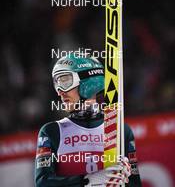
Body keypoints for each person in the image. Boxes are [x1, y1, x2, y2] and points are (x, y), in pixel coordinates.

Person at [35, 54, 142, 186]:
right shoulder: (52, 131)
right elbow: (42, 183)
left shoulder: (121, 130)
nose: (60, 91)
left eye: (65, 81)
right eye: (57, 83)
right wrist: (87, 181)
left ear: (88, 82)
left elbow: (135, 184)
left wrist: (124, 180)